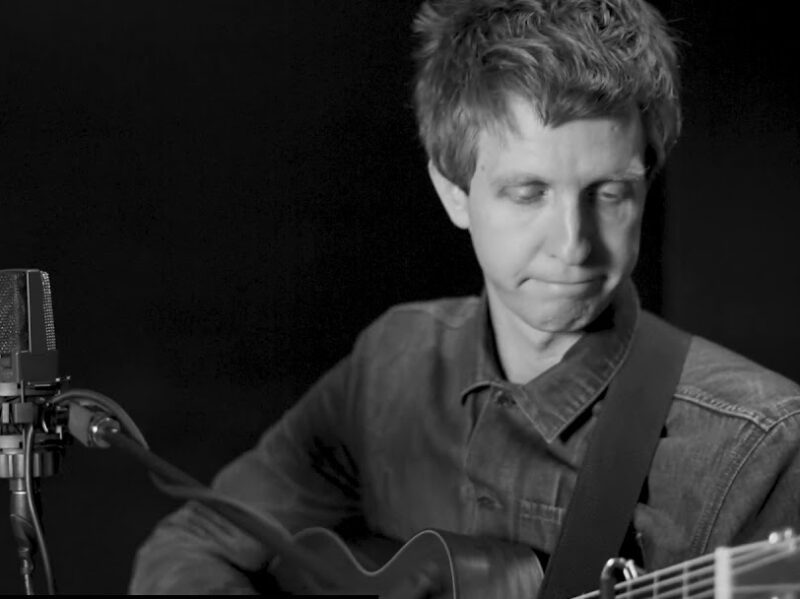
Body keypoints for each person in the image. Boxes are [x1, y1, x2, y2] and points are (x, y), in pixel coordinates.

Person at [129, 0, 800, 595]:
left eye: (610, 193)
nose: (573, 243)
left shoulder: (760, 446)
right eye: (528, 192)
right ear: (454, 190)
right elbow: (191, 544)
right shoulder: (392, 364)